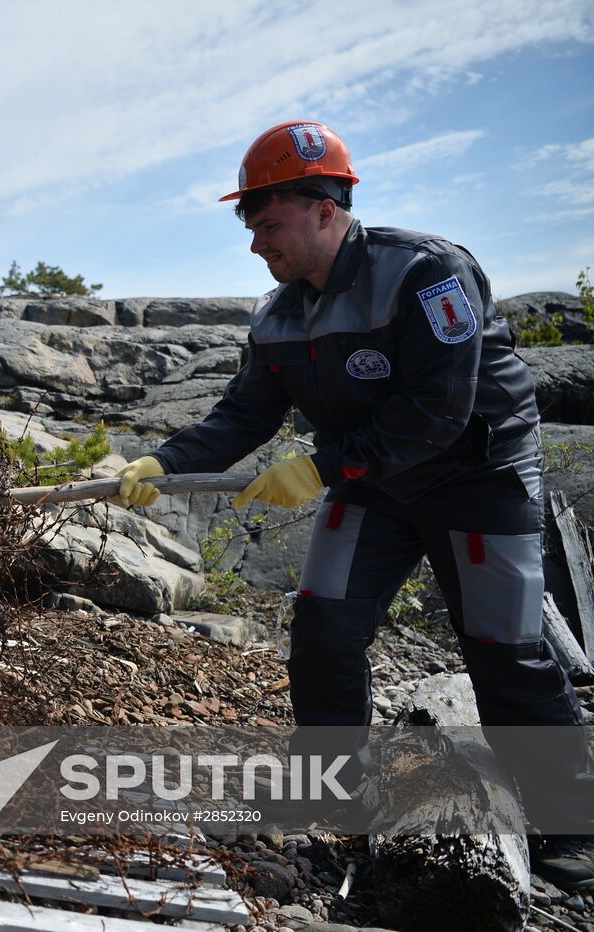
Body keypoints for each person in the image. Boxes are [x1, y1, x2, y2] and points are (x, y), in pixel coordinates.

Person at [111, 120, 594, 889]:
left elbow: (442, 408)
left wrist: (322, 467)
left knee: (505, 651)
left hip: (480, 477)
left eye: (267, 224)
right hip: (375, 485)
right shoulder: (276, 317)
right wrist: (162, 464)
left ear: (323, 209)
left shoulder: (426, 273)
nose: (255, 243)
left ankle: (574, 828)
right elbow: (242, 416)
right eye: (250, 226)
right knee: (325, 629)